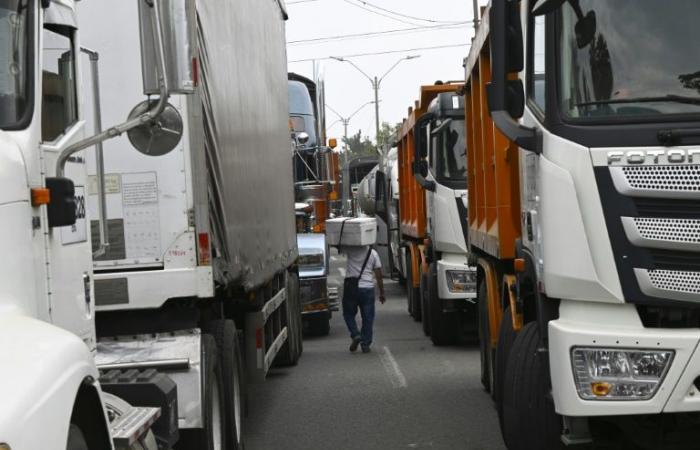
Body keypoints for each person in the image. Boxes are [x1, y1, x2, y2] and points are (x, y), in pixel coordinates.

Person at [342, 245, 386, 353]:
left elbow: (339, 245)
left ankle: (355, 334)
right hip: (367, 289)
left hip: (351, 288)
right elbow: (378, 275)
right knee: (368, 317)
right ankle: (365, 344)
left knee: (348, 313)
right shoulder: (373, 253)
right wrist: (382, 292)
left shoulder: (350, 250)